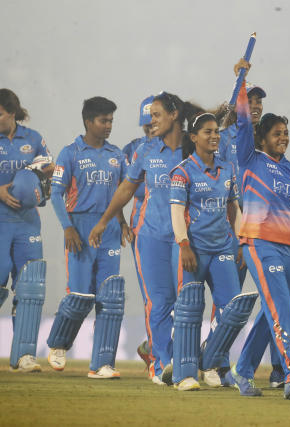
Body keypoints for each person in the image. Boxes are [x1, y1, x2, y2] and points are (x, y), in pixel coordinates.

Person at [229, 66, 290, 400]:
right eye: (277, 133)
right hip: (259, 243)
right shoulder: (249, 158)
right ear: (262, 137)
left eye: (286, 132)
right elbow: (242, 121)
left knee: (272, 313)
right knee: (281, 309)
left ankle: (242, 370)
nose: (283, 136)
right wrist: (240, 81)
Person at [88, 92, 194, 385]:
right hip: (149, 236)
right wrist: (104, 221)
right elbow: (125, 188)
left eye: (156, 117)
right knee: (158, 302)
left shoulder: (193, 148)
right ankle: (161, 365)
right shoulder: (144, 151)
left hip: (184, 238)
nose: (151, 124)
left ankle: (187, 361)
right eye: (148, 120)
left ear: (174, 116)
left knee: (185, 301)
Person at [46, 96, 131, 379]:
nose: (108, 126)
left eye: (110, 121)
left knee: (109, 298)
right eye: (103, 121)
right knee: (80, 295)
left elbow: (121, 194)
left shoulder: (117, 155)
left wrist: (122, 223)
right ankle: (58, 344)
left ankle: (102, 364)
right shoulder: (70, 153)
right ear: (88, 121)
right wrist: (67, 227)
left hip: (109, 232)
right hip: (79, 229)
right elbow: (56, 193)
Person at [168, 110, 246, 391]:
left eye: (216, 131)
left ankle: (210, 361)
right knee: (189, 310)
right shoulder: (182, 172)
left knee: (232, 310)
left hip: (223, 247)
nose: (214, 136)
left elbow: (233, 207)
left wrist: (240, 241)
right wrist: (184, 244)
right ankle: (183, 375)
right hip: (195, 249)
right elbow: (176, 212)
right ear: (193, 137)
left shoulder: (228, 169)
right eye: (207, 132)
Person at [217, 81, 287, 389]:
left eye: (259, 101)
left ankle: (278, 368)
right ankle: (217, 363)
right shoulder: (222, 138)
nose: (256, 105)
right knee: (230, 300)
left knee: (274, 299)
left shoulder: (268, 140)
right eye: (250, 100)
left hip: (265, 228)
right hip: (231, 228)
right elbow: (215, 182)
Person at [0, 88, 53, 372]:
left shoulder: (33, 139)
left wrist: (40, 183)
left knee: (30, 287)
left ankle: (24, 356)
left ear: (12, 112)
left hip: (27, 223)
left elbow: (50, 170)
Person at [121, 95, 155, 370]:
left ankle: (155, 348)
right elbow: (120, 191)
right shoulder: (132, 150)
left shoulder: (181, 148)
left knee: (181, 296)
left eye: (154, 123)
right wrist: (121, 223)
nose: (151, 130)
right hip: (143, 227)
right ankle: (156, 355)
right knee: (152, 294)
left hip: (179, 227)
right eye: (146, 126)